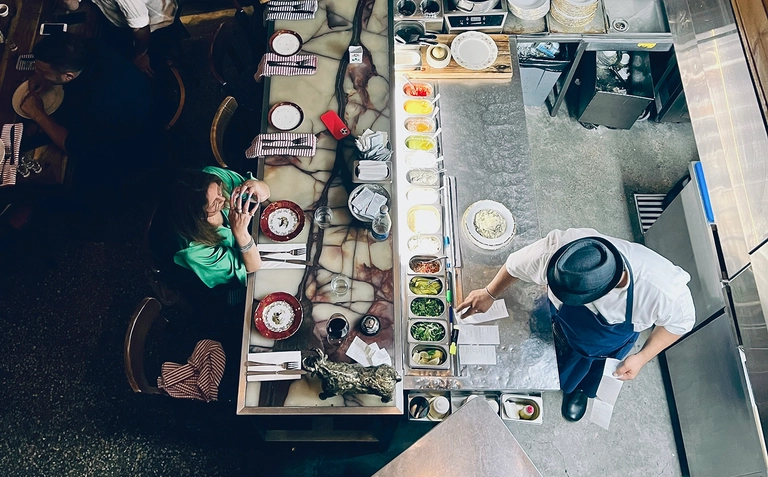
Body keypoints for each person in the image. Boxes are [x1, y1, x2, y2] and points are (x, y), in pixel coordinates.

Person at [457, 228, 695, 422]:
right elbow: (515, 265)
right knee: (548, 345)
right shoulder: (564, 250)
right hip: (561, 321)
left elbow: (681, 324)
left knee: (586, 371)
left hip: (602, 344)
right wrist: (489, 292)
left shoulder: (663, 290)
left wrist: (642, 358)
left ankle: (578, 391)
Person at [20, 33, 152, 165]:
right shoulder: (90, 46)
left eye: (43, 71)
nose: (37, 72)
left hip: (129, 143)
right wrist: (44, 76)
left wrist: (38, 114)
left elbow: (73, 145)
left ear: (68, 76)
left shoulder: (92, 103)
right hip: (143, 92)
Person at [167, 166, 270, 289]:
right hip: (233, 281)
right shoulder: (194, 252)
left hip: (255, 237)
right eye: (214, 203)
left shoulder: (212, 177)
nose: (223, 199)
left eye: (220, 192)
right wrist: (241, 233)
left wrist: (257, 188)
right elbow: (253, 266)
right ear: (198, 215)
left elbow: (263, 193)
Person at [59, 0, 179, 76]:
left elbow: (142, 29)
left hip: (156, 26)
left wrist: (140, 55)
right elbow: (74, 5)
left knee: (123, 68)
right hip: (120, 19)